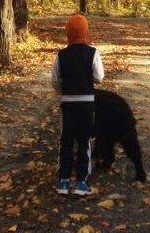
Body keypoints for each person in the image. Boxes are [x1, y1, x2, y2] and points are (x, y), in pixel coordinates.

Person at [51, 14, 104, 195]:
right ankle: (81, 182)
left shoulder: (61, 55)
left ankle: (64, 181)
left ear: (68, 33)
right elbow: (99, 77)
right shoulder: (93, 53)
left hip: (68, 103)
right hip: (87, 103)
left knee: (66, 140)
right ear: (85, 32)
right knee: (84, 141)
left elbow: (55, 80)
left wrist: (62, 92)